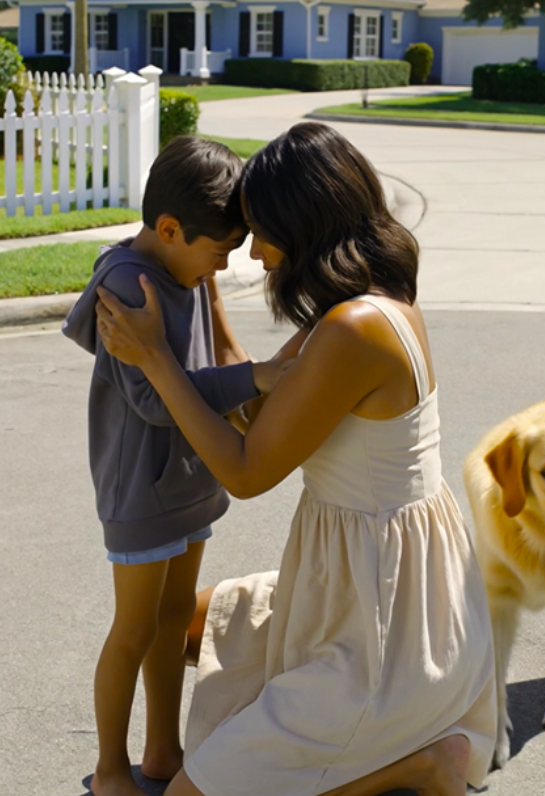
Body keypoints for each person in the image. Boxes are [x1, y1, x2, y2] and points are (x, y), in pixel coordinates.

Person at [95, 122, 497, 796]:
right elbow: (258, 406)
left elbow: (246, 471)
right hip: (371, 573)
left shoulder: (354, 330)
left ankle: (417, 763)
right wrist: (205, 293)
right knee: (184, 626)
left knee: (193, 793)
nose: (253, 253)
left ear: (299, 225)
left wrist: (155, 359)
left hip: (381, 617)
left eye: (259, 232)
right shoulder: (360, 303)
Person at [62, 136, 292, 796]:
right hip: (141, 492)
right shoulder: (128, 286)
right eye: (219, 251)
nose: (225, 263)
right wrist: (257, 377)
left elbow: (199, 356)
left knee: (171, 620)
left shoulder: (185, 271)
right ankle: (111, 769)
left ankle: (163, 750)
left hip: (186, 482)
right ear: (169, 229)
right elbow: (156, 399)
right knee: (134, 629)